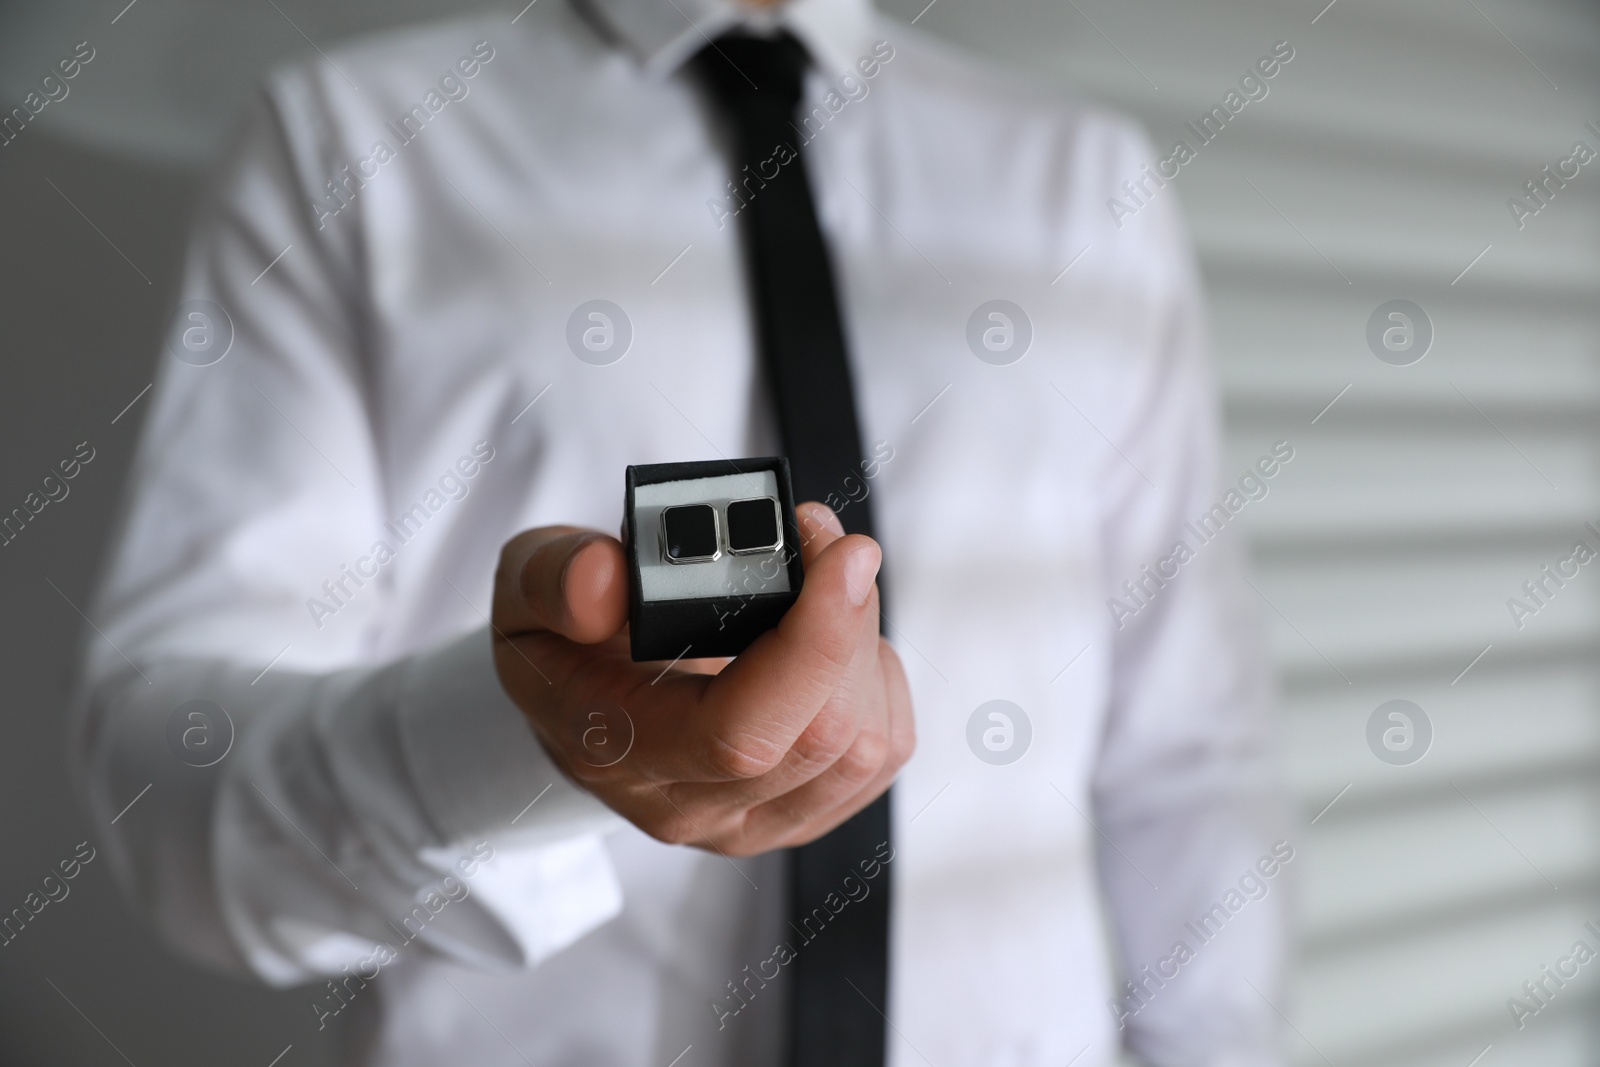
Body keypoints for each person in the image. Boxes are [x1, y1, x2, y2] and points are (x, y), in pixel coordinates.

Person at [71, 0, 1285, 1063]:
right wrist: (521, 737)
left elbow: (1188, 751)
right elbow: (162, 776)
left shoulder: (1088, 184)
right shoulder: (343, 142)